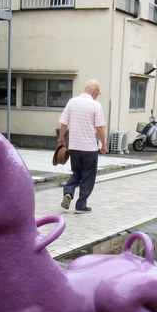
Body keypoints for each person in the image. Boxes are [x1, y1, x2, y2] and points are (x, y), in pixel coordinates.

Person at [58, 79, 107, 213]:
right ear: (95, 91)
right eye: (98, 93)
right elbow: (99, 128)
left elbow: (64, 123)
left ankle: (68, 192)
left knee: (77, 174)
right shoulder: (95, 105)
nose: (97, 95)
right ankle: (81, 205)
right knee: (88, 177)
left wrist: (61, 140)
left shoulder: (72, 102)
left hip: (74, 147)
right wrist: (104, 144)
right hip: (89, 149)